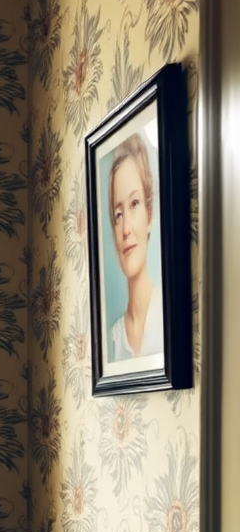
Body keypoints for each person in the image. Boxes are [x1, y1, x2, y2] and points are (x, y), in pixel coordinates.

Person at [107, 132, 164, 361]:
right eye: (118, 214)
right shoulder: (113, 338)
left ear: (149, 215)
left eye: (134, 204)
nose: (126, 229)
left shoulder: (169, 313)